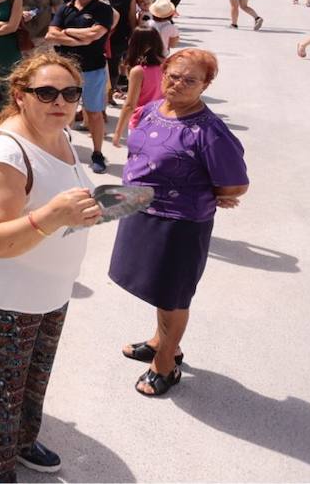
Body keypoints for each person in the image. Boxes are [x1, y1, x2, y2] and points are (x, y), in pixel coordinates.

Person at [0, 51, 103, 481]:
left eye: (70, 92)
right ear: (20, 96)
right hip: (4, 297)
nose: (61, 101)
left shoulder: (61, 135)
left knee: (32, 380)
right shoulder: (5, 151)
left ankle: (20, 441)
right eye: (47, 92)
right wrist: (54, 215)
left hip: (50, 289)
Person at [109, 49, 249, 397]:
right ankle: (161, 341)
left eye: (190, 80)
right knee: (158, 288)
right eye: (173, 76)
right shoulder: (153, 110)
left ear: (206, 84)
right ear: (164, 72)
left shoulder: (209, 130)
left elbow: (235, 183)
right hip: (141, 209)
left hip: (180, 222)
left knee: (174, 295)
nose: (178, 84)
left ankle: (166, 364)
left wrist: (210, 192)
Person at [47, 0, 116, 174]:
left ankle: (97, 153)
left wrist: (66, 32)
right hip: (66, 71)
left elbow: (96, 34)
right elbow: (51, 34)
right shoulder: (65, 8)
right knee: (61, 112)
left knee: (94, 113)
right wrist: (80, 38)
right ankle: (58, 149)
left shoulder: (103, 10)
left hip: (92, 69)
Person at [111, 26, 164, 147]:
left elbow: (130, 105)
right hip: (161, 119)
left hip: (141, 120)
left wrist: (118, 133)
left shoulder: (138, 71)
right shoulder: (166, 64)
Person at [100, 0, 137, 106]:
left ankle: (109, 94)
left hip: (120, 36)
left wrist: (134, 36)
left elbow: (132, 17)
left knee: (114, 66)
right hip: (101, 35)